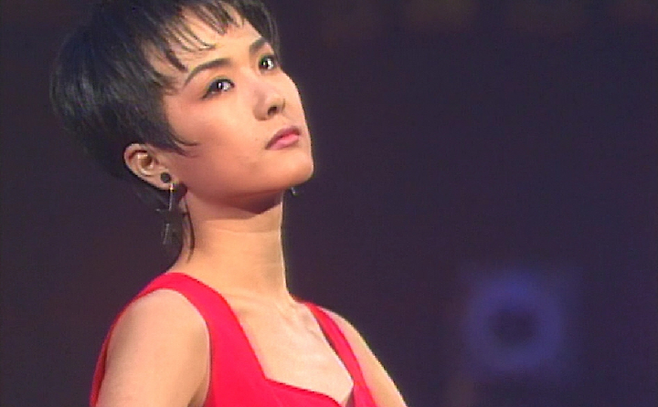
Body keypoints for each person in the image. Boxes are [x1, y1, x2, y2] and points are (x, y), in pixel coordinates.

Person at [50, 1, 408, 407]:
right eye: (218, 86)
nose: (271, 98)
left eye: (266, 63)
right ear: (152, 163)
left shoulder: (339, 338)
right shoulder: (171, 323)